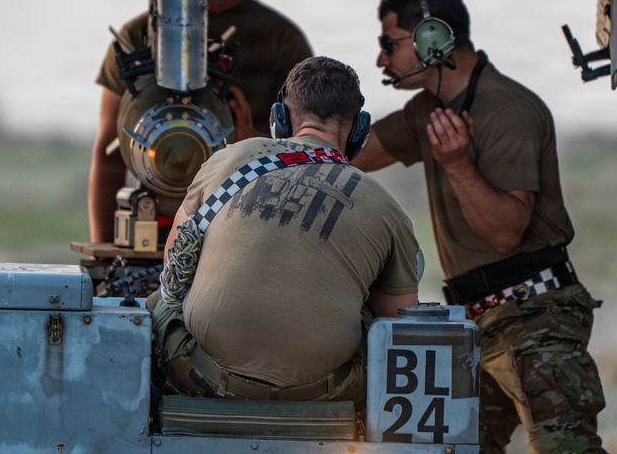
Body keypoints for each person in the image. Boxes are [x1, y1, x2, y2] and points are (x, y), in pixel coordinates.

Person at [354, 0, 607, 454]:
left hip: (535, 318)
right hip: (476, 324)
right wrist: (281, 143)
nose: (381, 59)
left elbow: (506, 232)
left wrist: (456, 163)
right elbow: (351, 155)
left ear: (432, 39)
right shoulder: (428, 111)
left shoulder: (508, 110)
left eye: (389, 44)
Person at [147, 56, 420, 404]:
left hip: (203, 377)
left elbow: (175, 262)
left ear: (280, 118)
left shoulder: (228, 160)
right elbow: (401, 324)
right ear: (359, 129)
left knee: (159, 302)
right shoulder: (387, 208)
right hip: (323, 393)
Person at [88, 0, 313, 243]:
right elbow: (110, 155)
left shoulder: (280, 39)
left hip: (247, 229)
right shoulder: (136, 38)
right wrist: (104, 253)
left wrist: (251, 141)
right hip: (152, 229)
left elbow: (305, 157)